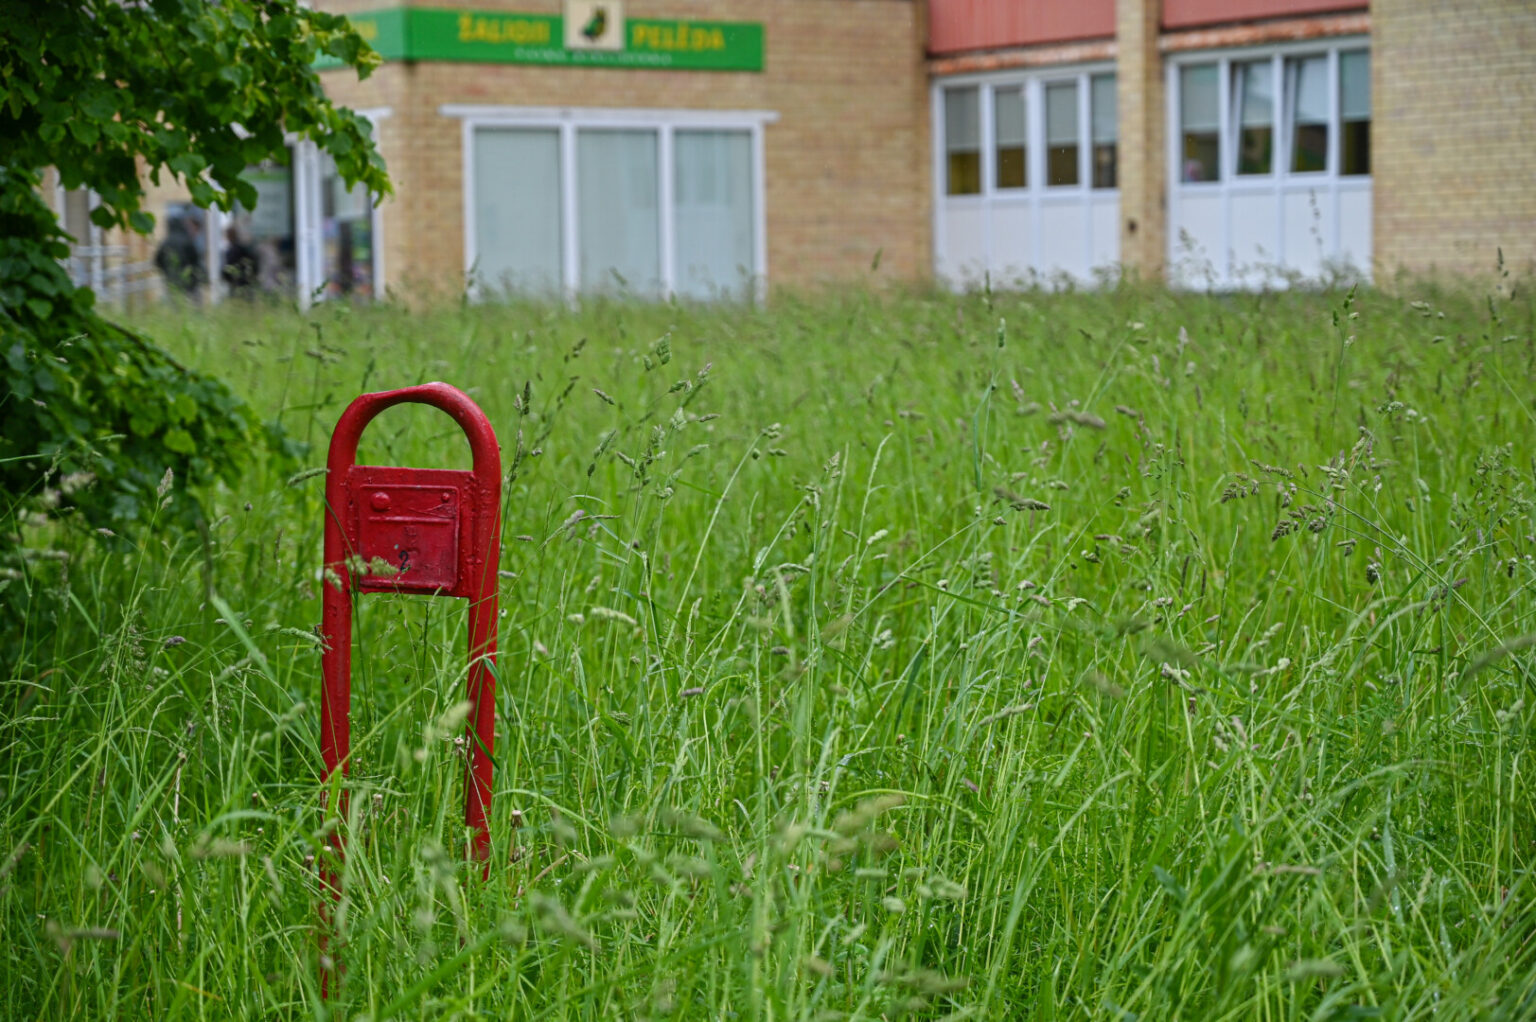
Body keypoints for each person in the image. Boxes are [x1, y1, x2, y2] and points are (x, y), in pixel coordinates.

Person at [154, 216, 205, 300]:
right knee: (193, 307)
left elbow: (157, 261)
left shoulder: (165, 242)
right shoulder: (187, 241)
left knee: (175, 307)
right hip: (190, 283)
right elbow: (195, 260)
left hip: (171, 282)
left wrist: (167, 270)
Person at [221, 224, 260, 299]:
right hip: (245, 282)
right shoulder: (242, 248)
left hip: (238, 283)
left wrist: (226, 276)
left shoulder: (233, 250)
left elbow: (229, 267)